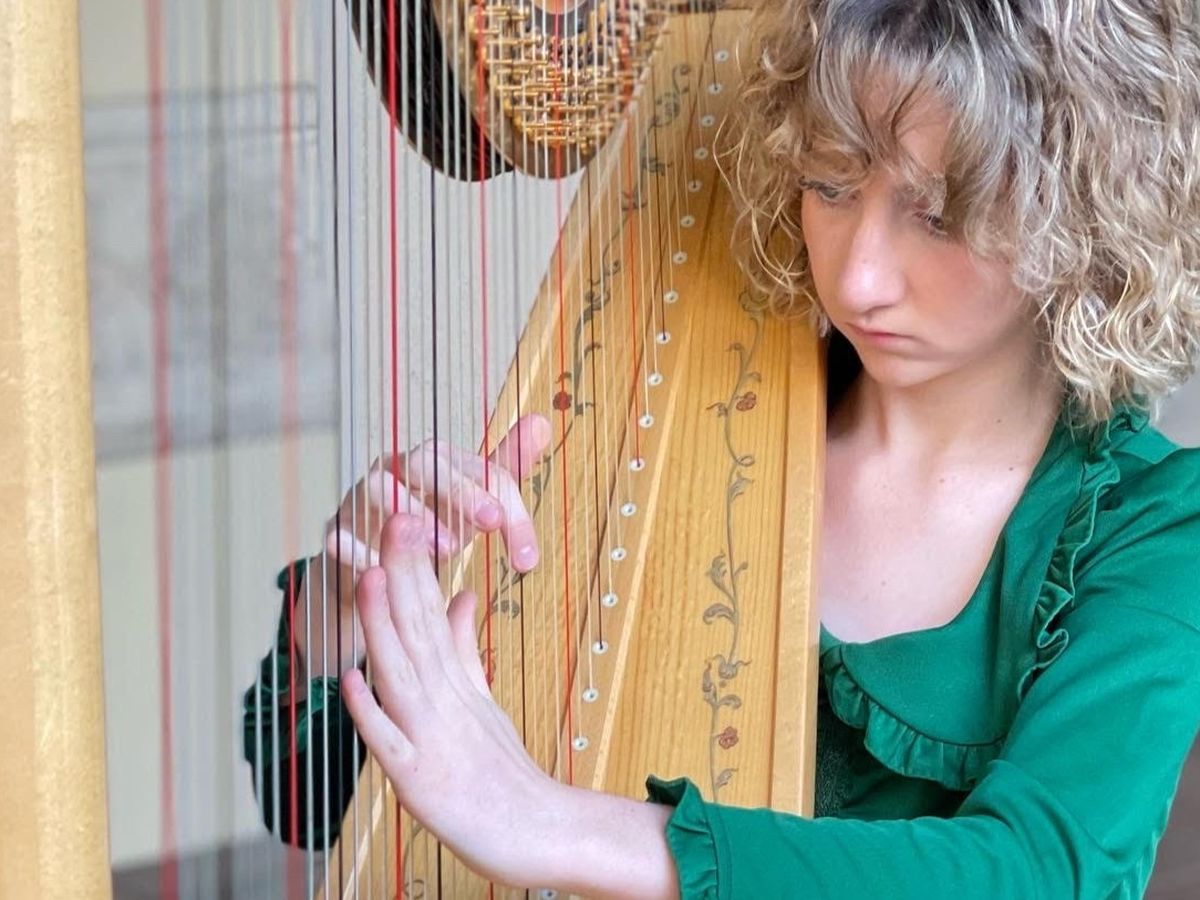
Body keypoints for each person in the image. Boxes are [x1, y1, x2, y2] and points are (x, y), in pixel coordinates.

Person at [245, 0, 1200, 896]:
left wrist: (548, 820)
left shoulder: (1151, 532)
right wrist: (346, 614)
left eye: (937, 215)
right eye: (830, 185)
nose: (859, 278)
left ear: (1087, 213)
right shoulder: (658, 413)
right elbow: (311, 806)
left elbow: (1035, 872)